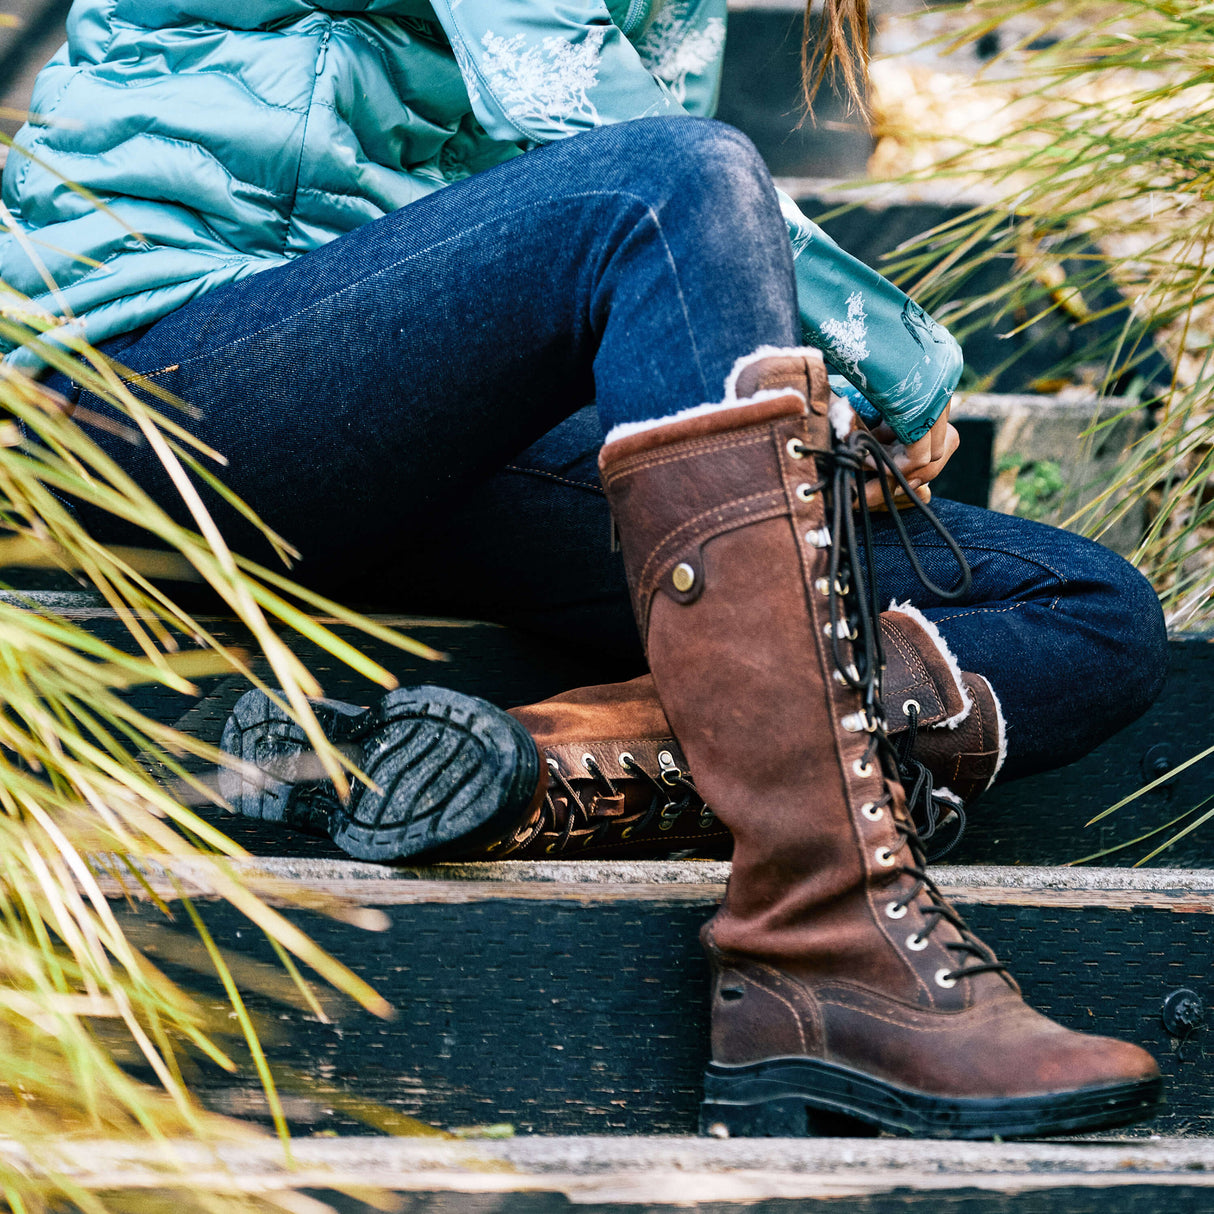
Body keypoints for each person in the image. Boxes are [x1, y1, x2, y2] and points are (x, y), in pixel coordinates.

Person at [1, 0, 1168, 1139]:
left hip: (429, 431)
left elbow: (657, 273)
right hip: (145, 390)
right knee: (672, 181)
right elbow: (575, 112)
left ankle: (507, 770)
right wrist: (893, 355)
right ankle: (823, 934)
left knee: (1080, 610)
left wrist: (773, 419)